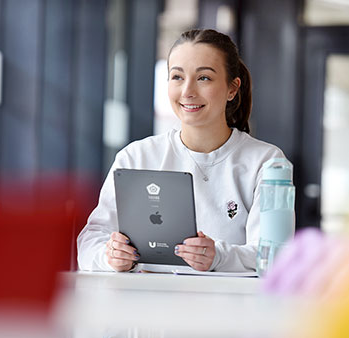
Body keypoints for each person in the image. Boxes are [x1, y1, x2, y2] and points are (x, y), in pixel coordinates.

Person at [77, 29, 286, 272]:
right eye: (177, 77)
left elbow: (274, 259)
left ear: (232, 89)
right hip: (145, 305)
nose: (187, 91)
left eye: (204, 78)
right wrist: (110, 257)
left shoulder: (267, 163)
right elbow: (89, 242)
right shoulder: (136, 157)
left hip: (229, 307)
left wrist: (219, 256)